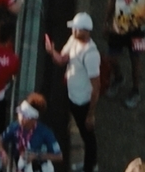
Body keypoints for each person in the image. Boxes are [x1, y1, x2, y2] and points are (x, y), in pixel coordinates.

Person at [44, 13, 101, 172]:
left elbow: (96, 86)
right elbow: (62, 59)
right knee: (84, 133)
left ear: (85, 31)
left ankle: (90, 167)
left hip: (83, 100)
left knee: (88, 137)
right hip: (72, 95)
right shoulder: (73, 40)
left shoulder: (91, 54)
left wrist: (91, 114)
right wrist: (51, 52)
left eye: (76, 28)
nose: (73, 31)